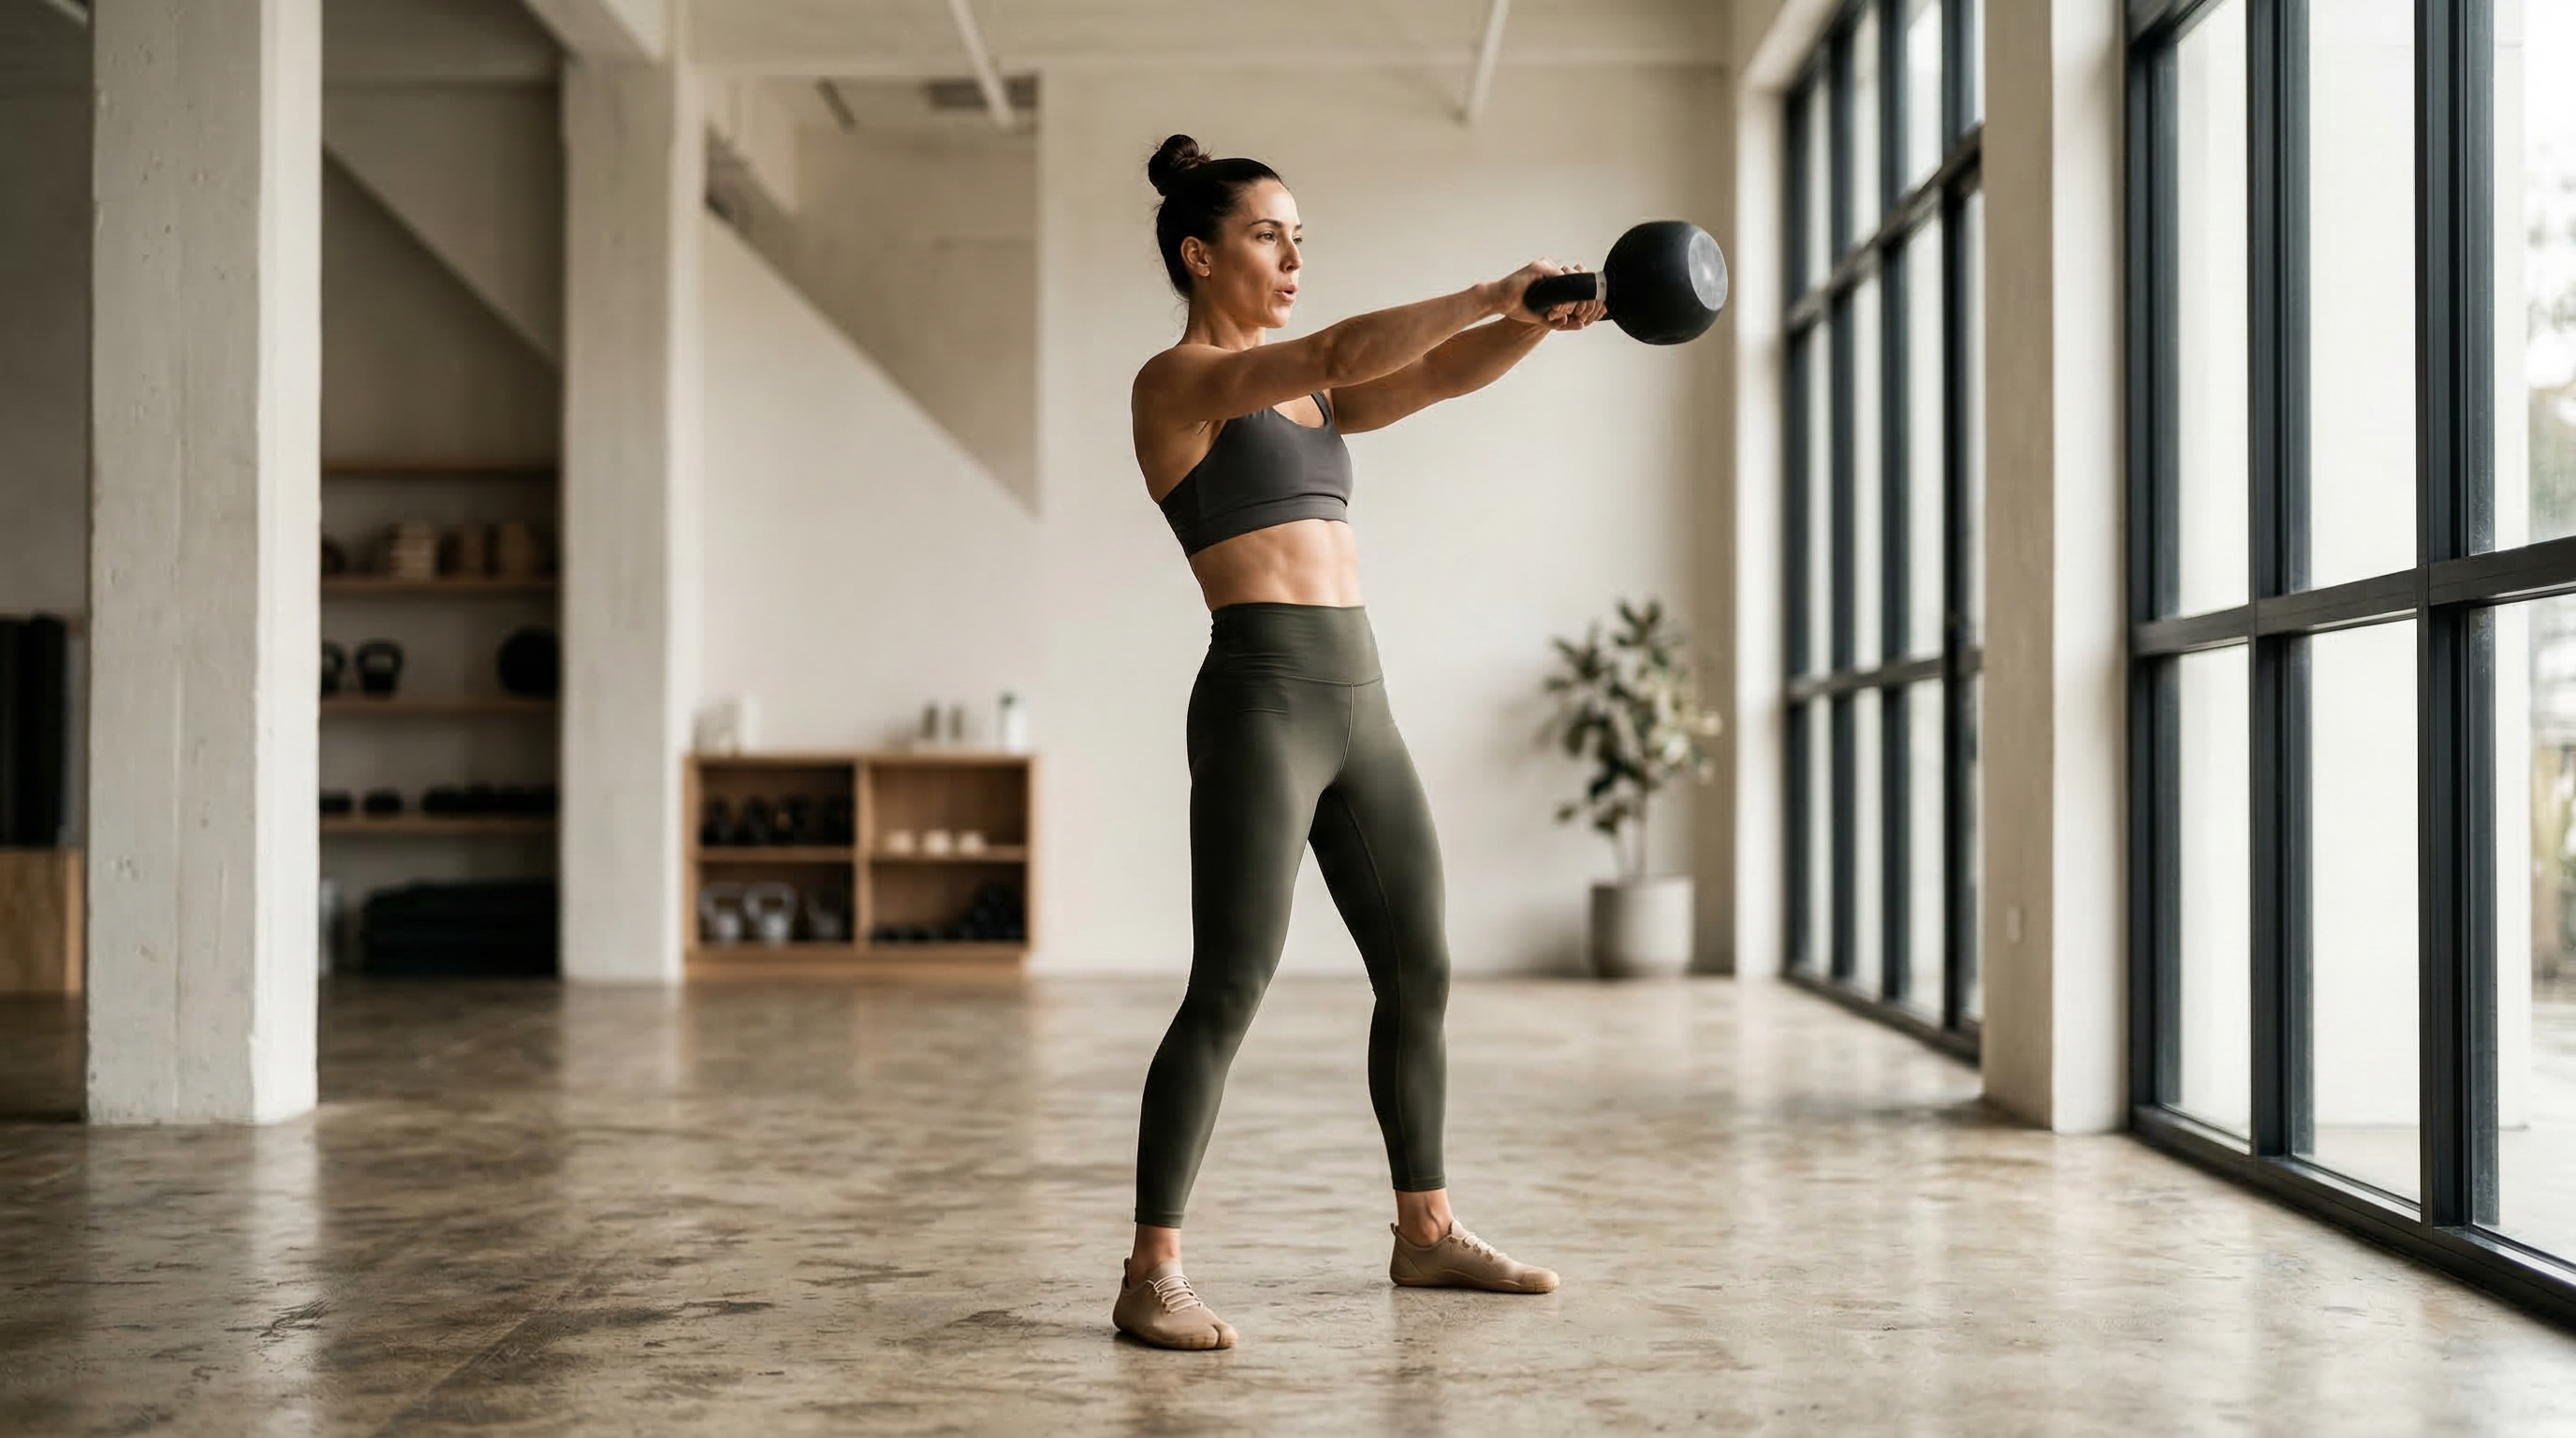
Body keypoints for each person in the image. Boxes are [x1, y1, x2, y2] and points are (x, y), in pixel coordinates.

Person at [1115, 133, 1604, 1351]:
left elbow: (1431, 378)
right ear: (1199, 252)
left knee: (1420, 967)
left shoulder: (1309, 398)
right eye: (1269, 235)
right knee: (1230, 985)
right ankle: (1150, 1272)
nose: (1292, 258)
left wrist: (1541, 318)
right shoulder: (1175, 383)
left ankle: (1426, 1234)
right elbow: (1339, 346)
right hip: (1265, 697)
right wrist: (1490, 287)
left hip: (1360, 696)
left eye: (1300, 239)